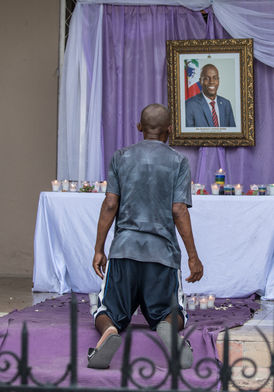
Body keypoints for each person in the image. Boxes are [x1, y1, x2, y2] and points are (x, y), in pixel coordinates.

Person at [87, 103, 204, 370]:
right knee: (174, 312)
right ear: (170, 130)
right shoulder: (178, 161)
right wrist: (193, 257)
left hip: (124, 251)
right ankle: (167, 328)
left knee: (106, 311)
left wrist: (99, 249)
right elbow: (178, 210)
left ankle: (109, 333)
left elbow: (109, 205)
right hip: (161, 255)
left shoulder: (121, 157)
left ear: (139, 127)